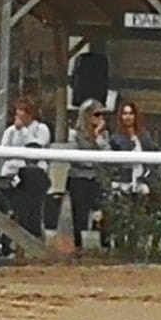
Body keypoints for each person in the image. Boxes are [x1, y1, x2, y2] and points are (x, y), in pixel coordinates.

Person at [0, 97, 52, 238]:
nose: (18, 114)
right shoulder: (10, 130)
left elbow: (34, 148)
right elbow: (4, 151)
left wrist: (23, 131)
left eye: (22, 111)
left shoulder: (41, 129)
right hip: (11, 172)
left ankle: (34, 236)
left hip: (34, 174)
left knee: (31, 210)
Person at [67, 98, 110, 251]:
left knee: (102, 214)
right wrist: (93, 161)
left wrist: (98, 138)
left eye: (101, 115)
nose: (100, 118)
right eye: (96, 114)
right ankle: (79, 246)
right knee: (80, 216)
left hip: (98, 179)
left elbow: (108, 155)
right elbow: (74, 157)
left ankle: (103, 246)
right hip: (80, 179)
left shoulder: (104, 135)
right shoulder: (74, 134)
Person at [108, 99, 157, 195]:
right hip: (123, 182)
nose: (128, 117)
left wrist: (148, 173)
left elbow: (154, 153)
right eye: (125, 114)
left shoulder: (144, 136)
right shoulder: (115, 138)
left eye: (131, 113)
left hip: (142, 181)